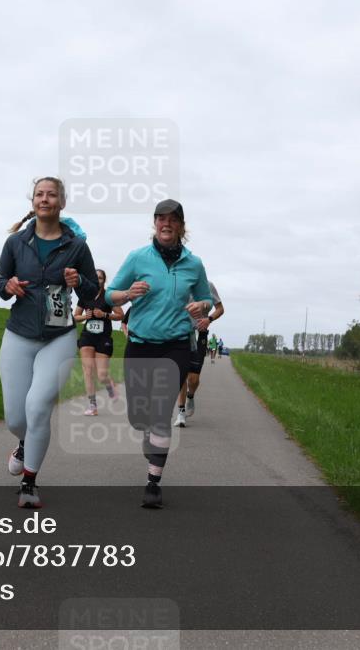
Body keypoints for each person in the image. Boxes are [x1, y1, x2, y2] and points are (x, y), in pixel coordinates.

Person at [0, 176, 98, 509]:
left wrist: (78, 280)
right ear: (32, 202)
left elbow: (91, 293)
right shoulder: (15, 243)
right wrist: (7, 285)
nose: (45, 199)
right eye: (39, 194)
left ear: (62, 203)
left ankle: (29, 482)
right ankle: (23, 443)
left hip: (59, 337)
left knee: (38, 407)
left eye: (51, 195)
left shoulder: (77, 246)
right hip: (19, 334)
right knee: (15, 417)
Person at [106, 199, 213, 509]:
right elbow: (110, 293)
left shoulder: (194, 264)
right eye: (160, 219)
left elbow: (205, 298)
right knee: (140, 416)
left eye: (173, 219)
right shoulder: (137, 257)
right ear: (154, 223)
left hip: (176, 344)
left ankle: (153, 482)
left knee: (161, 412)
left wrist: (201, 306)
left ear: (181, 225)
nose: (166, 224)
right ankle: (147, 432)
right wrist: (127, 294)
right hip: (140, 344)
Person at [173, 281, 224, 427]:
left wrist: (209, 319)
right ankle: (181, 413)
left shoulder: (208, 285)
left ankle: (191, 395)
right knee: (181, 374)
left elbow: (220, 309)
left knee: (193, 379)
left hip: (199, 333)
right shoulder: (178, 283)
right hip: (180, 333)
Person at [74, 268, 123, 416]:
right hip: (87, 336)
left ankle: (110, 388)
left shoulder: (108, 296)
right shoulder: (84, 295)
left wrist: (105, 315)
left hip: (103, 338)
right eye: (95, 278)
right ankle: (92, 405)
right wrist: (85, 316)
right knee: (88, 371)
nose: (98, 280)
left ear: (103, 280)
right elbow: (75, 316)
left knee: (101, 375)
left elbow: (120, 314)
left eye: (101, 278)